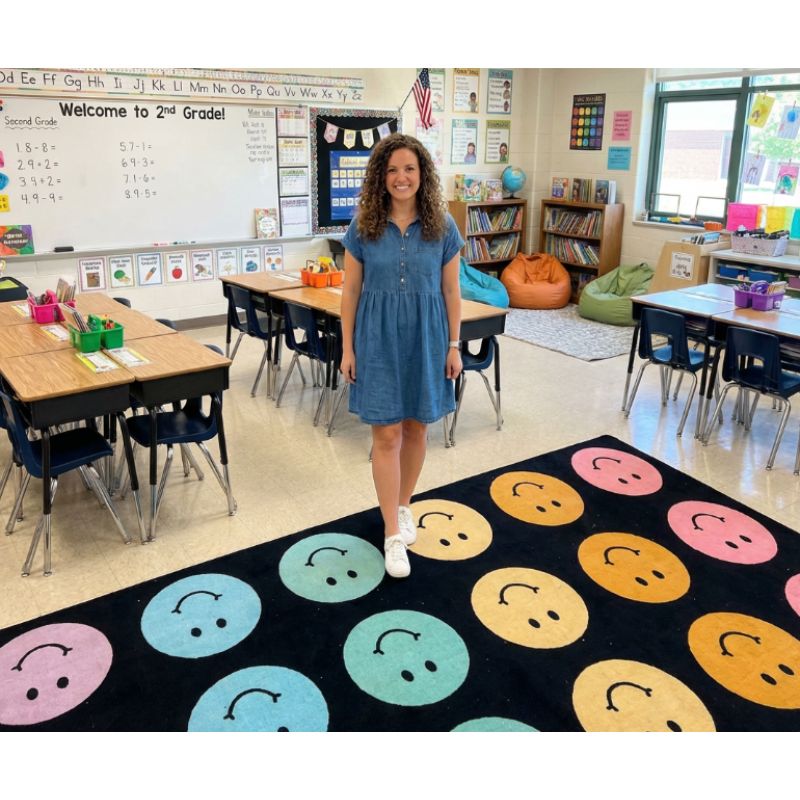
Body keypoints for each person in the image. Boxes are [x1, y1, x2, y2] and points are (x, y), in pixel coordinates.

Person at [340, 133, 463, 578]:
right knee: (386, 435)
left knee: (416, 428)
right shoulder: (363, 227)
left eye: (409, 168)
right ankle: (392, 533)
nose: (401, 177)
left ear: (422, 174)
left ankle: (405, 504)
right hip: (377, 340)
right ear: (380, 177)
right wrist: (347, 347)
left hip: (428, 339)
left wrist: (454, 345)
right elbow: (350, 290)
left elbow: (452, 290)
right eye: (392, 170)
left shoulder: (443, 227)